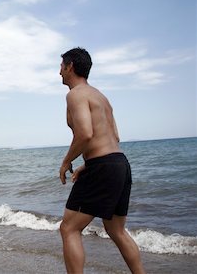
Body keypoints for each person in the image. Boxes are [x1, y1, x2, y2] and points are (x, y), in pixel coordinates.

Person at [58, 48, 145, 274]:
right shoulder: (101, 97)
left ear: (70, 67)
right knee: (116, 230)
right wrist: (86, 165)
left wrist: (67, 161)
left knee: (69, 229)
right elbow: (114, 138)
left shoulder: (76, 94)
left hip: (104, 167)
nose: (59, 72)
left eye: (61, 66)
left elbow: (86, 133)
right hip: (119, 164)